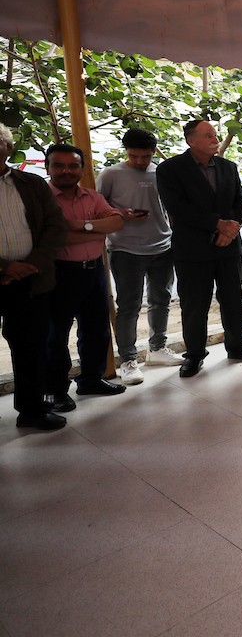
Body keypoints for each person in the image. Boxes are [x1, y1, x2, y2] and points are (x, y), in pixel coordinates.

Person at [156, 120, 242, 377]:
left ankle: (237, 347)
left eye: (215, 134)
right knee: (195, 304)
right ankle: (194, 355)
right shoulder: (170, 169)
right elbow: (177, 207)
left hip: (228, 247)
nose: (215, 139)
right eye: (208, 136)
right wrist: (218, 224)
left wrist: (231, 228)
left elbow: (240, 200)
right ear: (191, 140)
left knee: (232, 299)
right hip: (193, 250)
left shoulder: (228, 167)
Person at [97, 128, 185, 384]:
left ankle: (157, 349)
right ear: (126, 151)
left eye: (145, 156)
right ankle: (128, 360)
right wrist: (122, 214)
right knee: (128, 306)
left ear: (153, 152)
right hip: (125, 249)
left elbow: (170, 207)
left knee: (161, 300)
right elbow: (98, 207)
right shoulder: (110, 174)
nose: (139, 161)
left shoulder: (160, 173)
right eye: (133, 156)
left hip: (163, 246)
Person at [45, 143, 126, 410]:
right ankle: (55, 390)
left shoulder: (92, 196)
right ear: (48, 167)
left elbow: (116, 222)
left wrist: (81, 226)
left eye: (73, 166)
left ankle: (90, 380)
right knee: (55, 335)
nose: (66, 171)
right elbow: (55, 237)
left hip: (93, 270)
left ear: (81, 169)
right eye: (59, 165)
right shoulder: (42, 198)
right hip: (59, 273)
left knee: (96, 330)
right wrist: (96, 230)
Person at [0, 125, 68, 430]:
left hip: (32, 278)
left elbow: (55, 226)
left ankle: (31, 410)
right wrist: (4, 268)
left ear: (8, 148)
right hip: (5, 275)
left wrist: (31, 264)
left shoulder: (32, 184)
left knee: (31, 346)